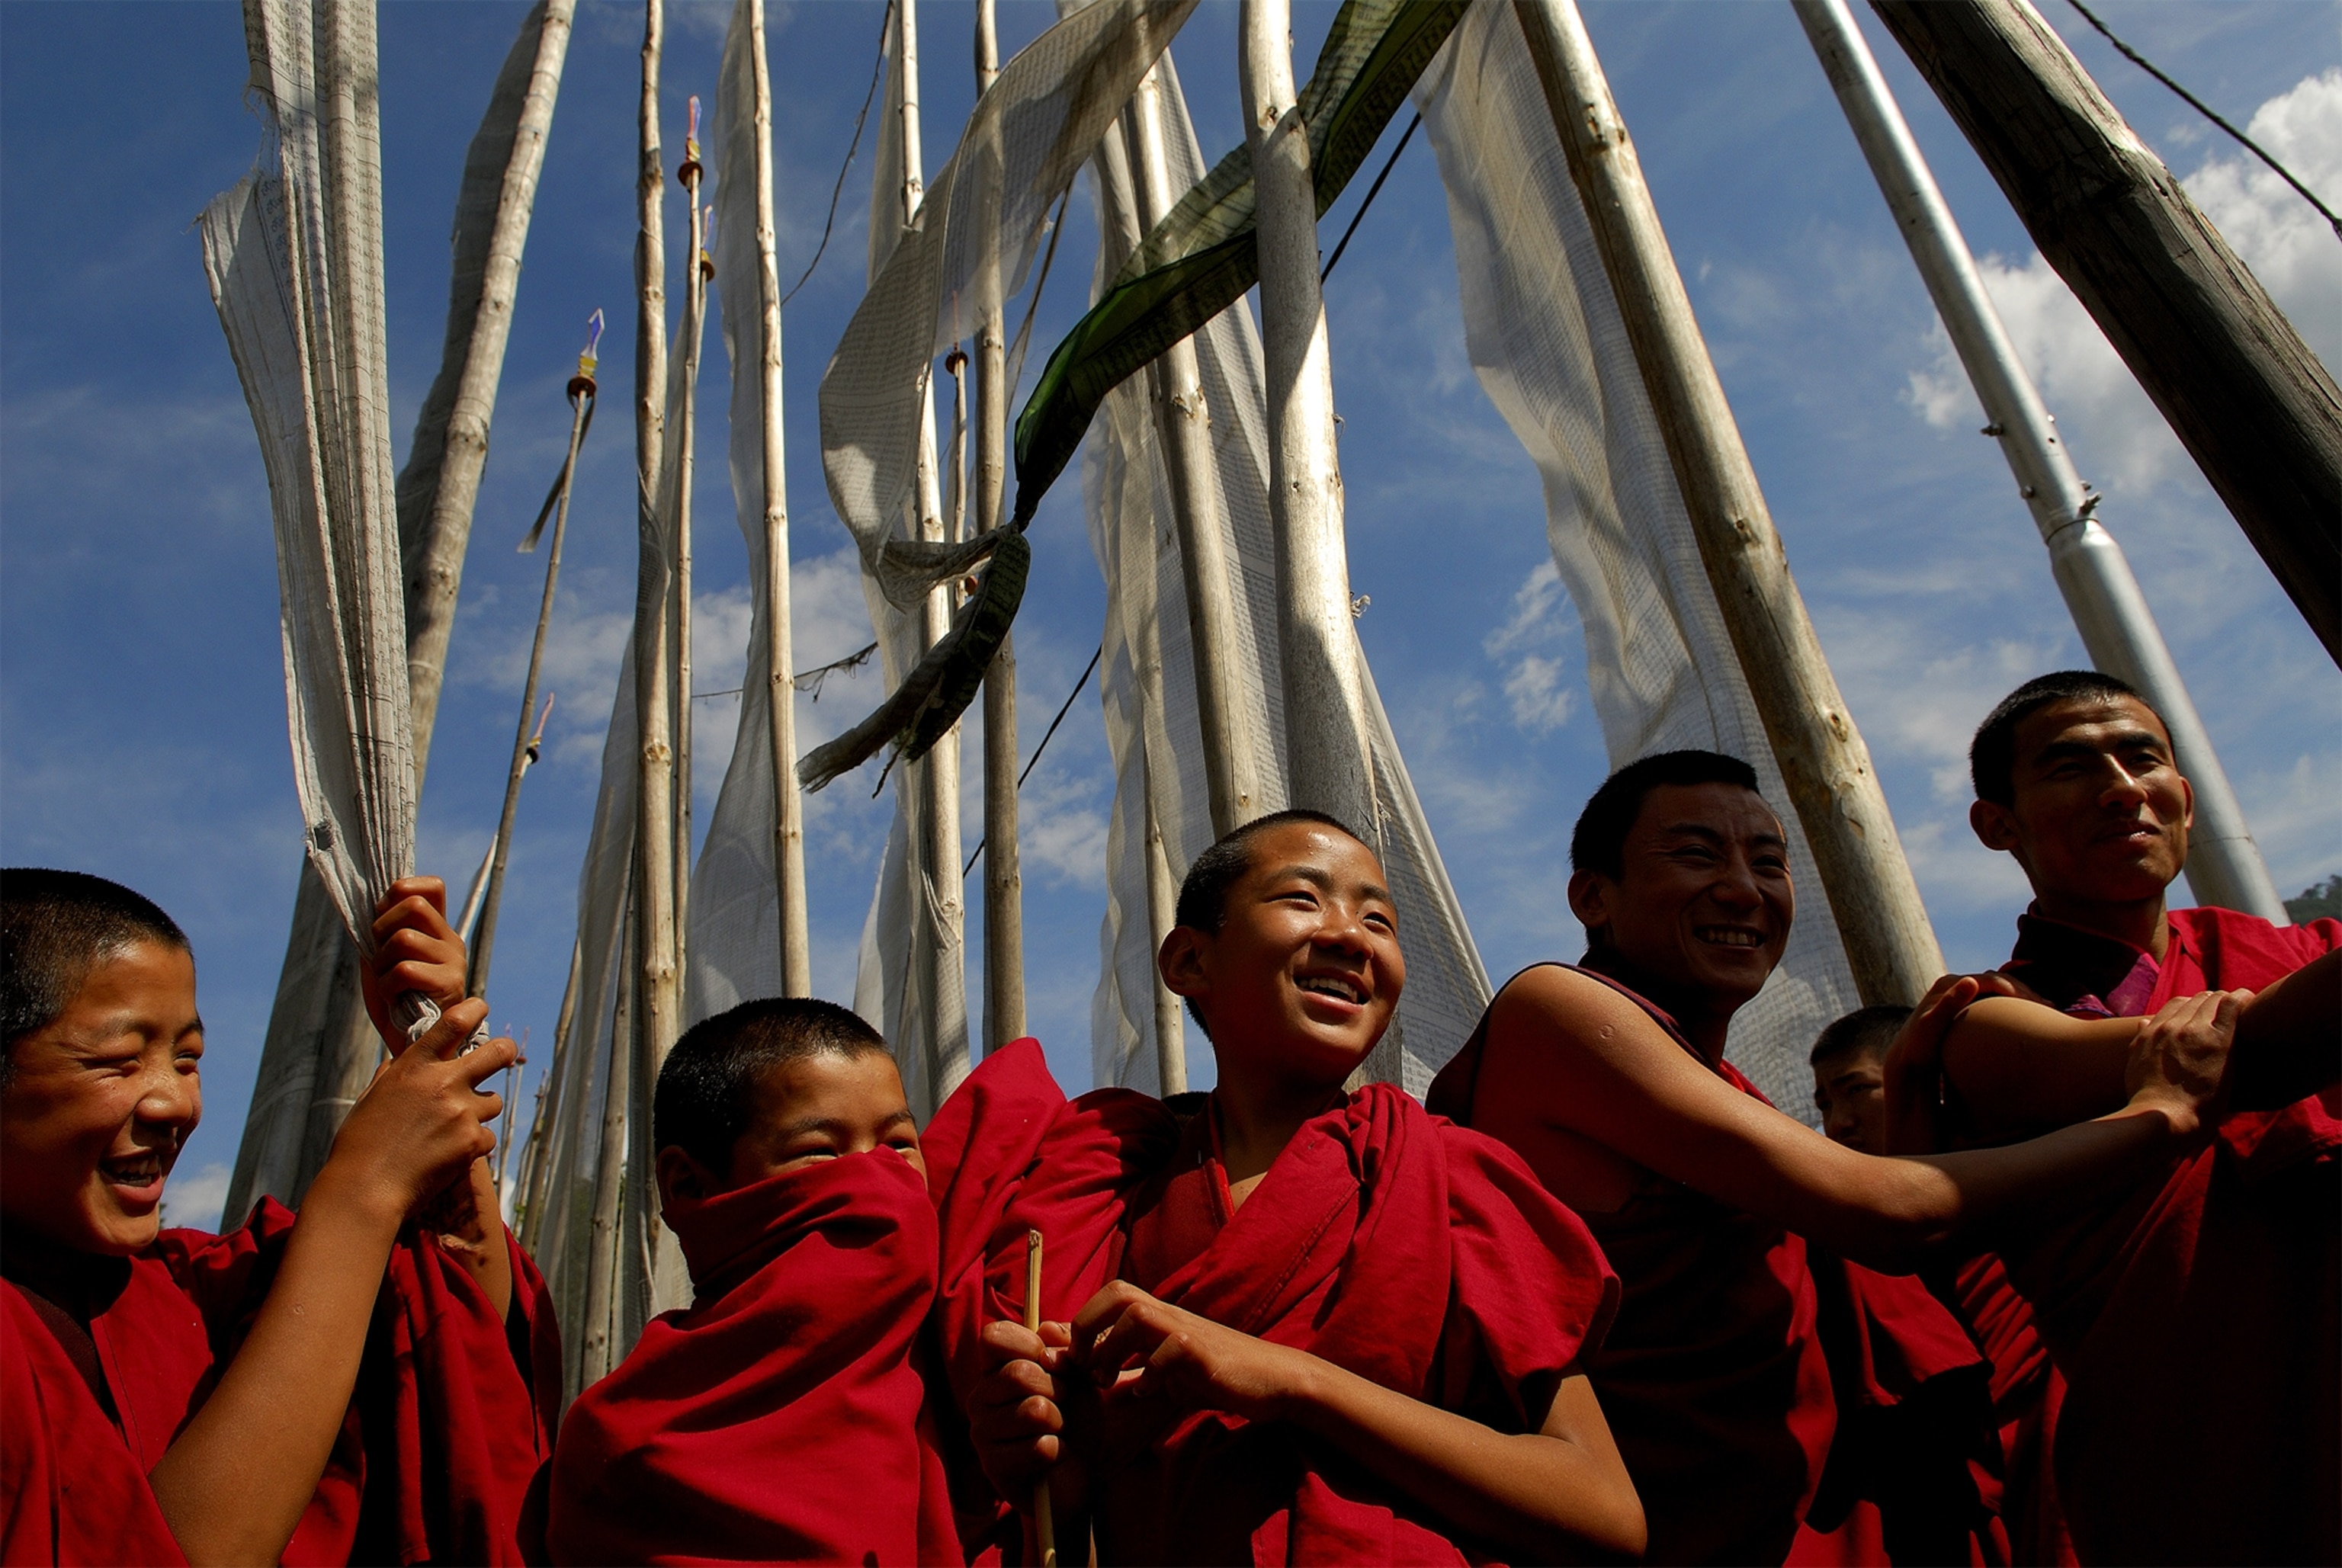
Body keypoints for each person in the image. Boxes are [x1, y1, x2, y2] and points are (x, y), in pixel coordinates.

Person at [1424, 750, 2235, 1565]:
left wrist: (1912, 1107)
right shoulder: (1554, 1009)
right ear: (1593, 895)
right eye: (1698, 854)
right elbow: (1888, 1214)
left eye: (1768, 862)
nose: (1745, 888)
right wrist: (2158, 1116)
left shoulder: (1723, 1089)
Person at [957, 810, 1645, 1565]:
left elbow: (1603, 1506)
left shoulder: (1445, 1173)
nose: (1351, 935)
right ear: (1190, 959)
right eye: (1303, 898)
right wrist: (1054, 1464)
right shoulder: (1115, 1185)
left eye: (1377, 918)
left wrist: (1297, 1380)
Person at [1893, 670, 2342, 1564]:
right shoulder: (1982, 1025)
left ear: (2182, 789)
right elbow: (2259, 1050)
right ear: (1998, 824)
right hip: (2194, 1470)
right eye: (2070, 766)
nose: (2121, 786)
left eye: (2143, 756)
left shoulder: (2304, 951)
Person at [0, 867, 553, 1566]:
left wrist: (429, 1036)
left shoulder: (188, 1287)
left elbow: (452, 1312)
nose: (175, 1104)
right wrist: (360, 1193)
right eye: (118, 1061)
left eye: (187, 1060)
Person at [539, 997, 965, 1566]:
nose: (881, 1180)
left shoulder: (966, 1366)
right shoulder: (626, 1443)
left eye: (897, 1145)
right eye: (819, 1152)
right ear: (689, 1187)